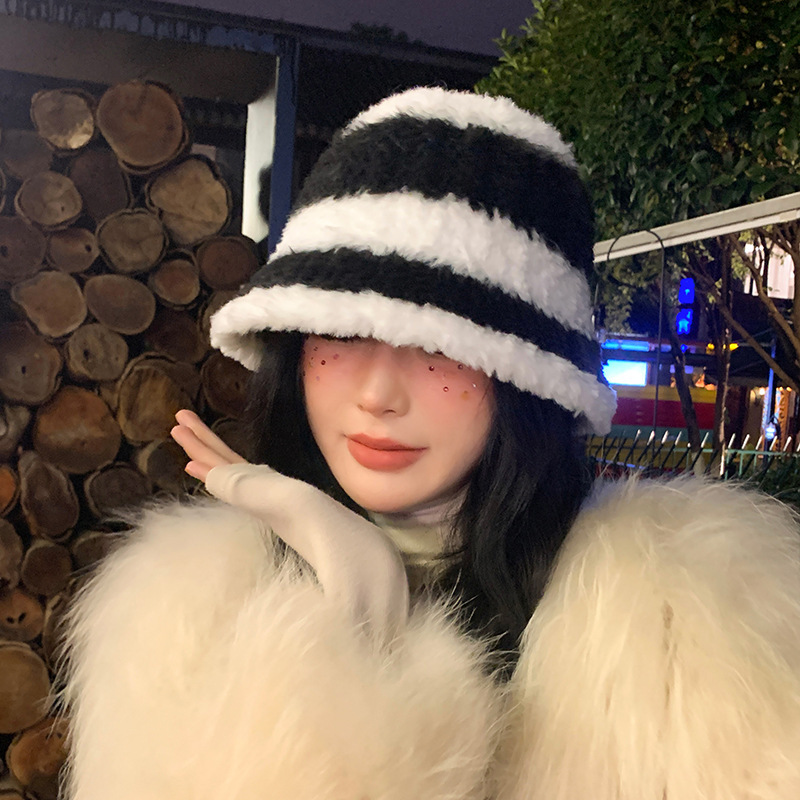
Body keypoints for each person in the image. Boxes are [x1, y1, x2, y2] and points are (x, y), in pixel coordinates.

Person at [61, 87, 800, 800]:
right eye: (343, 334)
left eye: (441, 348)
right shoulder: (177, 614)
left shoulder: (689, 633)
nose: (379, 394)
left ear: (525, 380)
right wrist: (355, 617)